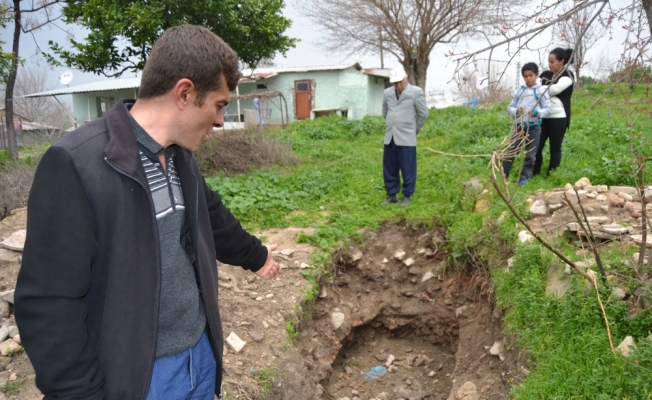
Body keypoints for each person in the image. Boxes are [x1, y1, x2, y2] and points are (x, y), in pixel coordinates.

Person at [14, 25, 281, 400]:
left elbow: (210, 216)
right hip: (139, 378)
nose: (221, 120)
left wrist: (257, 256)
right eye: (220, 105)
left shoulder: (179, 157)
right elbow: (48, 302)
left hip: (199, 358)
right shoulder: (77, 164)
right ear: (185, 93)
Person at [381, 66, 429, 208]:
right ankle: (392, 195)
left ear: (405, 78)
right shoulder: (387, 93)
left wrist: (413, 130)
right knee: (389, 167)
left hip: (407, 138)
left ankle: (407, 195)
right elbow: (385, 112)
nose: (398, 85)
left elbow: (423, 114)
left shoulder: (415, 92)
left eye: (400, 82)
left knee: (408, 168)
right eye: (394, 83)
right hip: (390, 136)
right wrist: (394, 123)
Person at [502, 62, 551, 186]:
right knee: (511, 151)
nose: (528, 78)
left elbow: (548, 109)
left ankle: (524, 177)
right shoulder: (519, 91)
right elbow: (510, 107)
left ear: (537, 75)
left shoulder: (541, 91)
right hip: (519, 126)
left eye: (531, 75)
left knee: (531, 154)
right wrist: (516, 112)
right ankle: (503, 175)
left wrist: (537, 113)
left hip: (534, 127)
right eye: (526, 76)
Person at [533, 47, 574, 176]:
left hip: (559, 118)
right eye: (549, 62)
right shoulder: (545, 75)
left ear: (562, 61)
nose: (550, 65)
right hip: (543, 117)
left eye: (553, 62)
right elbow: (534, 87)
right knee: (537, 146)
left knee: (555, 148)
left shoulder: (568, 75)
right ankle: (534, 172)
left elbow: (554, 90)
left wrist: (542, 89)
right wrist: (542, 89)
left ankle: (552, 174)